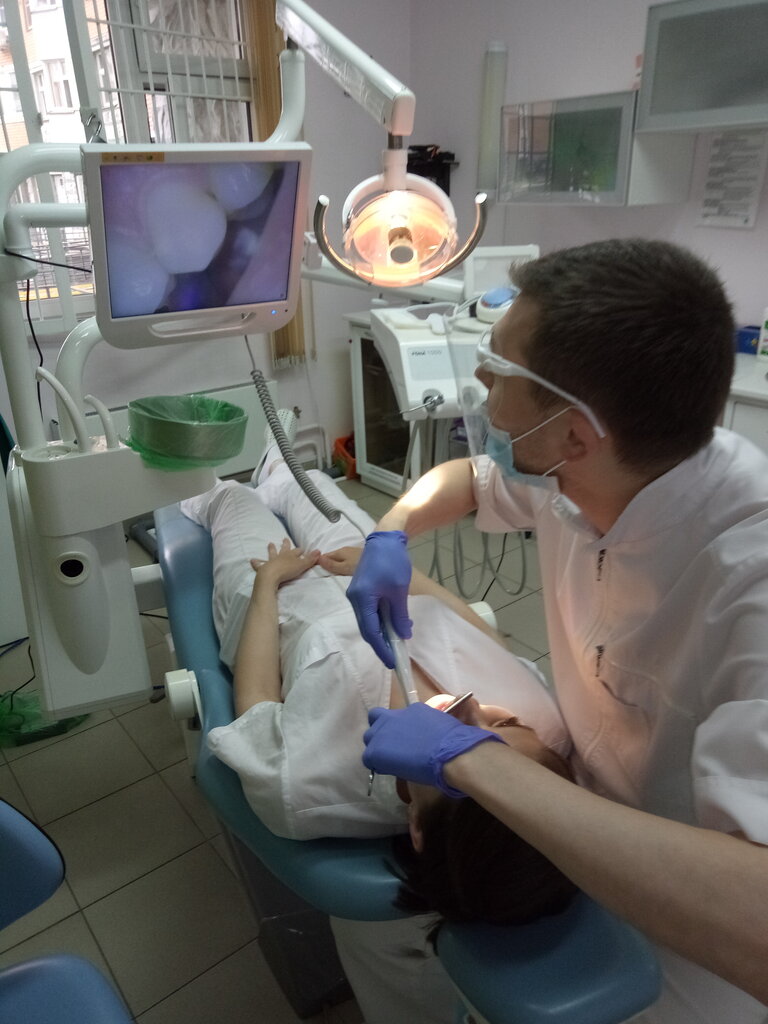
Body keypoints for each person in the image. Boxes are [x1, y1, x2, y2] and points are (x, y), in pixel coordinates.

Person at [349, 238, 768, 1024]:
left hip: (692, 929)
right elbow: (469, 481)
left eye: (497, 369)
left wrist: (473, 761)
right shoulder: (593, 468)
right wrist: (392, 531)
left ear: (575, 432)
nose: (480, 382)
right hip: (569, 811)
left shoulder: (750, 582)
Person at [178, 462, 577, 929]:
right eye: (506, 724)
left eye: (461, 747)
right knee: (306, 481)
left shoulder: (306, 787)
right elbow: (483, 639)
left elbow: (258, 699)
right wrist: (410, 578)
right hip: (383, 581)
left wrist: (267, 583)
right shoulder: (547, 734)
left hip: (279, 603)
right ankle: (275, 464)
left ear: (417, 827)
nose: (472, 706)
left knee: (229, 499)